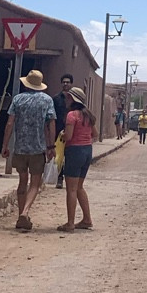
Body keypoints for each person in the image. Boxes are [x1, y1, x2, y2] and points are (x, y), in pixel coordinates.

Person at [1, 68, 56, 233]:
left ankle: (20, 216)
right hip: (38, 149)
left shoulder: (18, 99)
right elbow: (51, 123)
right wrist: (51, 146)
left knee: (22, 181)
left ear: (26, 84)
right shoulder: (47, 100)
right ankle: (25, 212)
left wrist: (5, 145)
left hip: (20, 148)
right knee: (35, 183)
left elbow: (9, 123)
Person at [57, 86, 96, 232]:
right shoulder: (88, 115)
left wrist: (62, 134)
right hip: (87, 150)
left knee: (71, 189)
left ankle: (70, 223)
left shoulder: (71, 115)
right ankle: (87, 219)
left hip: (74, 151)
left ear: (71, 99)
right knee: (79, 187)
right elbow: (95, 133)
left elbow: (68, 136)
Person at [53, 74, 77, 188]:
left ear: (71, 84)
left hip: (72, 131)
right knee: (59, 155)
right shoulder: (56, 99)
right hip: (58, 131)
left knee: (70, 155)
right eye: (64, 82)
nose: (65, 84)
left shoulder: (74, 100)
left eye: (68, 82)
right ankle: (59, 177)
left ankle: (69, 179)